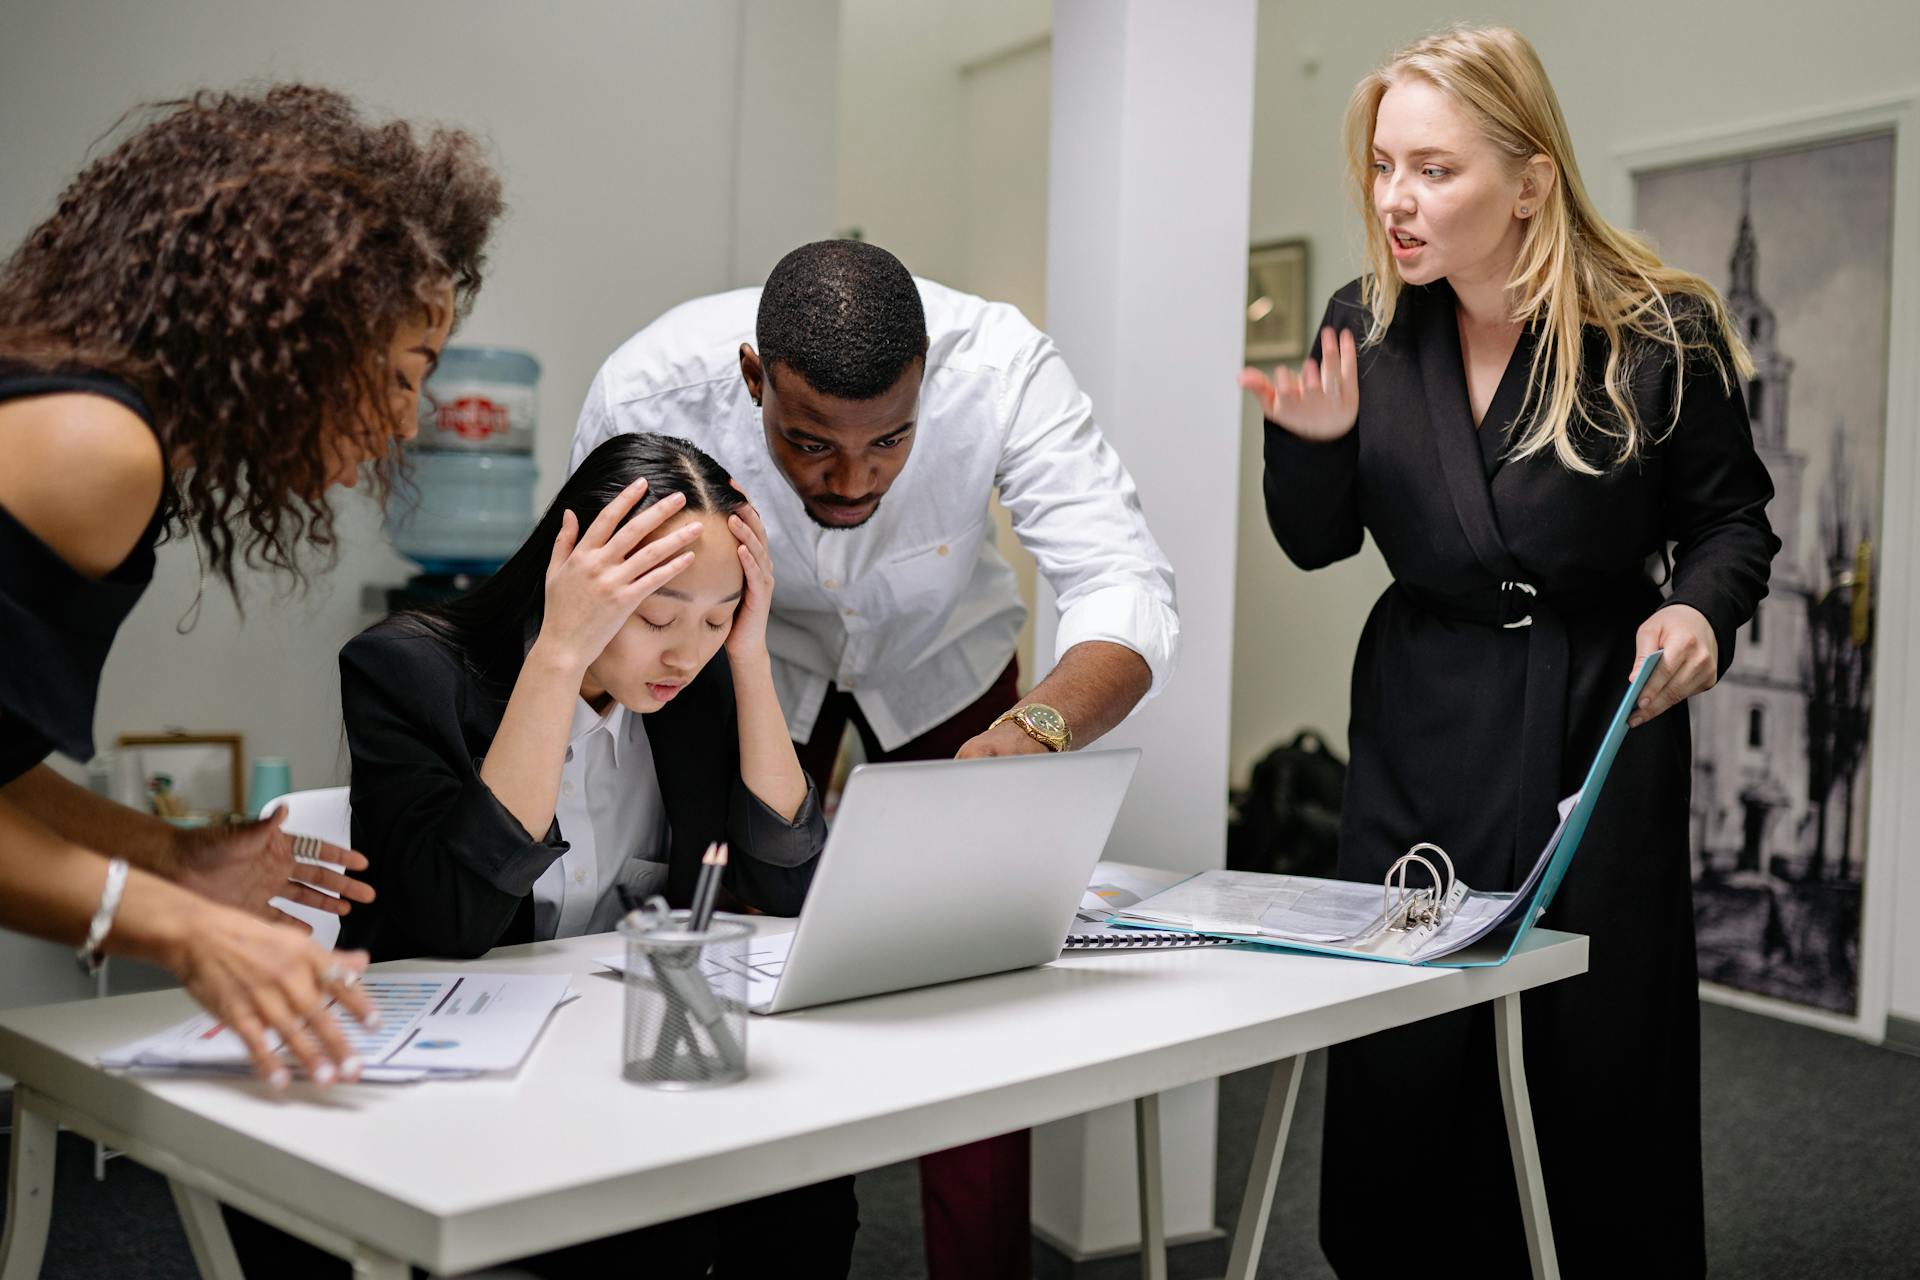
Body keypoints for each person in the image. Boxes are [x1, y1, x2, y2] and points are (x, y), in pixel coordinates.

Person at [1240, 26, 1778, 1277]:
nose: (1393, 200)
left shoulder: (1658, 330)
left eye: (1433, 170)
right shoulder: (1363, 323)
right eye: (1383, 166)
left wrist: (1699, 611)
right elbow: (1315, 545)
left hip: (1595, 716)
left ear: (1530, 179)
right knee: (1407, 1039)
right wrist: (1314, 445)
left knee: (1590, 1037)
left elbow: (1733, 519)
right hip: (1422, 716)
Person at [571, 237, 1180, 1279]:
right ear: (754, 378)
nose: (851, 478)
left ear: (929, 380)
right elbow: (597, 598)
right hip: (744, 661)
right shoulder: (649, 386)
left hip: (951, 665)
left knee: (975, 966)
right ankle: (775, 1244)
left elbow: (1126, 585)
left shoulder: (1001, 364)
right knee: (740, 946)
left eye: (891, 442)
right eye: (809, 444)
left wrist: (1036, 732)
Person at [220, 434, 851, 1278]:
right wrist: (558, 657)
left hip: (609, 1065)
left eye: (715, 616)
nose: (684, 650)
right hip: (456, 1072)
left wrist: (748, 659)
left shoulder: (694, 687)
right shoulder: (407, 670)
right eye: (658, 614)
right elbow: (453, 921)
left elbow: (791, 886)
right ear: (579, 578)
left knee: (810, 1188)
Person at [0, 84, 503, 1086]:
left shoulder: (110, 431)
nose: (408, 422)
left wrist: (171, 855)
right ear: (306, 325)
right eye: (407, 370)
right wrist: (185, 929)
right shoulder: (94, 447)